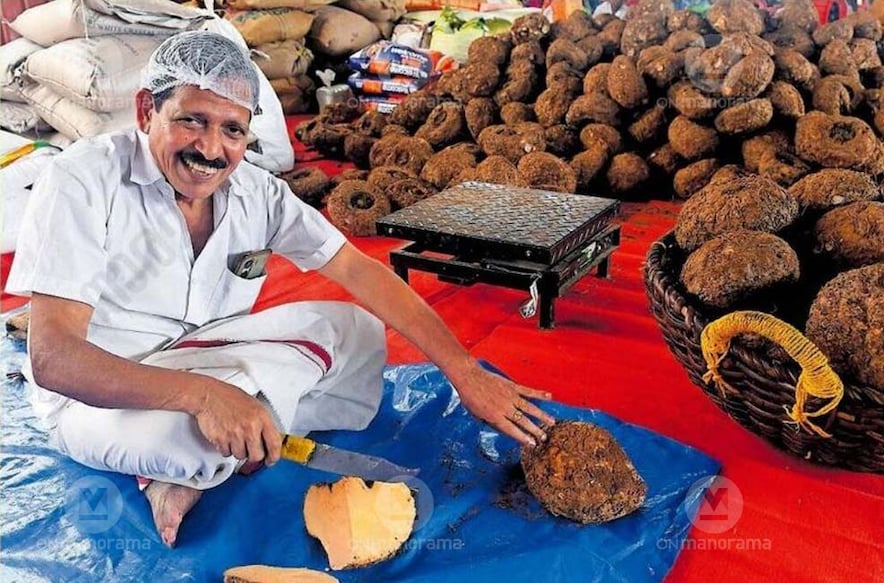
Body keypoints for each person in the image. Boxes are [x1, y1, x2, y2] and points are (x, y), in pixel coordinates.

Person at [6, 31, 553, 548]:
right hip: (103, 392)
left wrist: (464, 372)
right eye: (192, 121)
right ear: (147, 110)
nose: (211, 149)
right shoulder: (82, 180)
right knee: (189, 440)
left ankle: (239, 427)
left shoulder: (255, 191)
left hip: (207, 356)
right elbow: (55, 361)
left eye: (232, 130)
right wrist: (204, 397)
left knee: (356, 333)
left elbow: (358, 271)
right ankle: (179, 465)